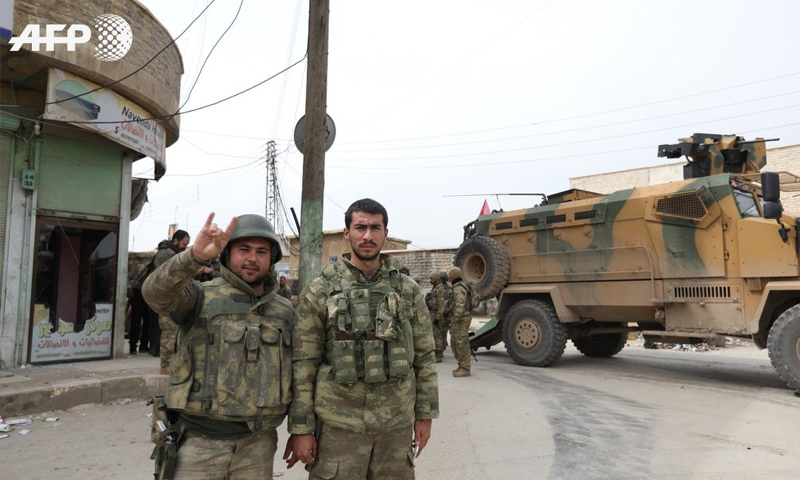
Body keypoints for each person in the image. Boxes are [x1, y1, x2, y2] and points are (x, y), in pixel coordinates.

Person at [284, 198, 439, 479]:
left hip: (395, 425)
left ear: (385, 233)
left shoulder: (408, 290)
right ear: (347, 233)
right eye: (360, 228)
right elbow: (303, 365)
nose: (368, 236)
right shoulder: (320, 291)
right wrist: (301, 428)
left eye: (375, 228)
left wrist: (425, 414)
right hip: (339, 427)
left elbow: (425, 355)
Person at [142, 213, 294, 480]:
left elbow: (299, 372)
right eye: (243, 249)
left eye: (261, 251)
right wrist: (193, 258)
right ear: (227, 254)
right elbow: (154, 293)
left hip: (257, 445)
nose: (252, 258)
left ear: (271, 258)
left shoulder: (284, 311)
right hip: (199, 444)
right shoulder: (199, 296)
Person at [152, 230, 190, 374]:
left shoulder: (175, 255)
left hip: (177, 298)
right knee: (169, 332)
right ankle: (165, 365)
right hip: (166, 299)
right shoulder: (164, 255)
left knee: (177, 333)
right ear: (176, 241)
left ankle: (173, 362)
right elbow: (170, 275)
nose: (185, 248)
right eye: (184, 244)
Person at [448, 266, 474, 377]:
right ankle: (461, 365)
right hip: (461, 318)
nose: (448, 277)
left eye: (449, 275)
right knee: (457, 342)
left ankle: (465, 368)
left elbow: (459, 305)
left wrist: (455, 319)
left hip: (461, 319)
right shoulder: (460, 285)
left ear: (452, 276)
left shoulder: (458, 288)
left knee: (461, 343)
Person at [427, 271, 451, 363]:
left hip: (437, 315)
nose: (430, 280)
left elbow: (441, 305)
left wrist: (437, 318)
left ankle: (438, 355)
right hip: (434, 313)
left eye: (432, 279)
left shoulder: (440, 289)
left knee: (438, 336)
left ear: (436, 279)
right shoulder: (436, 288)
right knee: (437, 335)